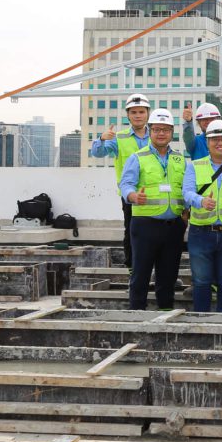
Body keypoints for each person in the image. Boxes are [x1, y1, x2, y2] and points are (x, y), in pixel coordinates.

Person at [118, 108, 185, 311]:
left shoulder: (179, 159)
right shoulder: (138, 157)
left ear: (172, 132)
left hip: (173, 226)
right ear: (150, 130)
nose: (161, 133)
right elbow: (125, 184)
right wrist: (133, 196)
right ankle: (137, 316)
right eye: (157, 129)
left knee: (168, 276)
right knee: (141, 274)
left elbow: (186, 188)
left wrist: (186, 211)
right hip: (145, 225)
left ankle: (165, 315)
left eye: (165, 129)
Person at [183, 119, 222, 313]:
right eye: (215, 139)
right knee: (201, 282)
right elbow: (187, 192)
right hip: (200, 233)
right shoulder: (194, 165)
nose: (220, 143)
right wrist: (201, 201)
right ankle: (202, 322)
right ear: (207, 142)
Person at [91, 92, 152, 269]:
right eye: (134, 112)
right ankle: (133, 269)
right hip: (130, 195)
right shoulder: (119, 138)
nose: (138, 116)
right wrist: (102, 139)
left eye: (141, 112)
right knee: (132, 233)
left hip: (154, 195)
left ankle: (153, 270)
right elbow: (98, 153)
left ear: (148, 113)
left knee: (156, 235)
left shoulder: (156, 136)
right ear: (128, 115)